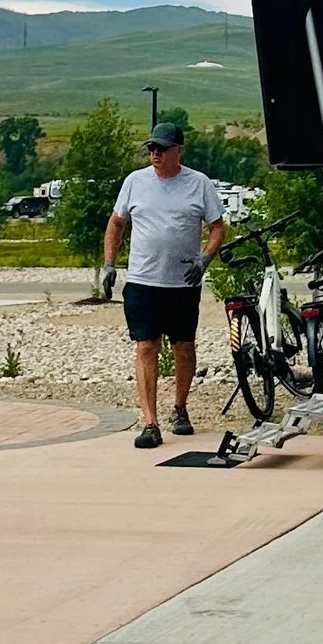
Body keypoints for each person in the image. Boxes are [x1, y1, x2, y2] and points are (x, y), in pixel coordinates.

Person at [102, 120, 228, 449]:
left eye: (161, 148)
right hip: (144, 280)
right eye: (151, 149)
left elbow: (217, 227)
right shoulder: (135, 182)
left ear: (178, 151)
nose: (154, 154)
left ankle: (181, 408)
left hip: (183, 283)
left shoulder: (198, 184)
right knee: (146, 346)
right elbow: (116, 222)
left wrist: (205, 259)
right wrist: (109, 264)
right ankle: (149, 422)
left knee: (184, 347)